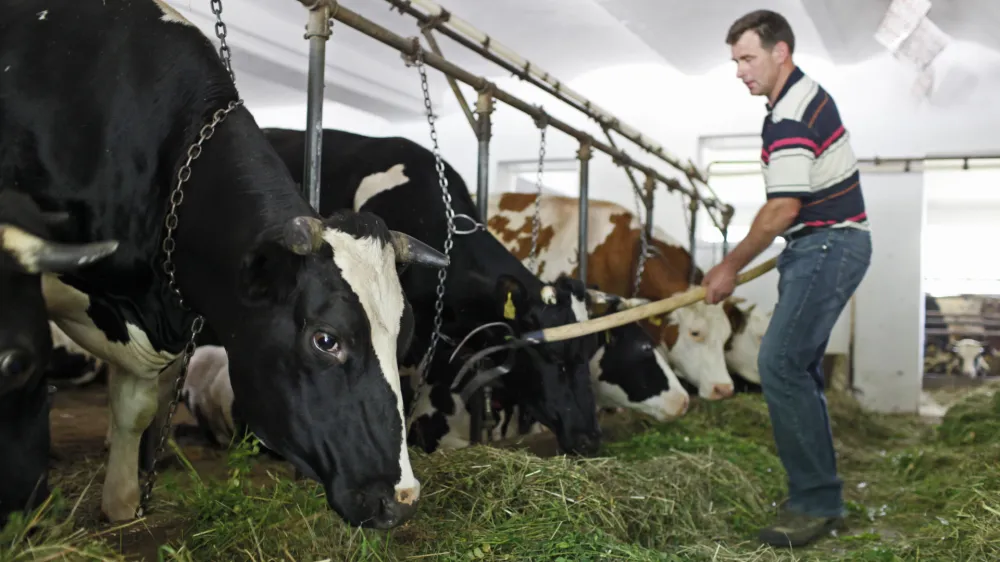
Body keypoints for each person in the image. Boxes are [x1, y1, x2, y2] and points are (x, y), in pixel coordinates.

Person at [701, 9, 873, 548]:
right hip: (823, 243)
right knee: (795, 366)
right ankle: (820, 496)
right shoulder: (794, 101)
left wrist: (728, 265)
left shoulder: (791, 113)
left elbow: (782, 209)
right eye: (735, 61)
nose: (739, 71)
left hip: (828, 243)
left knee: (777, 363)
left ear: (781, 52)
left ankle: (816, 502)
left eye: (747, 58)